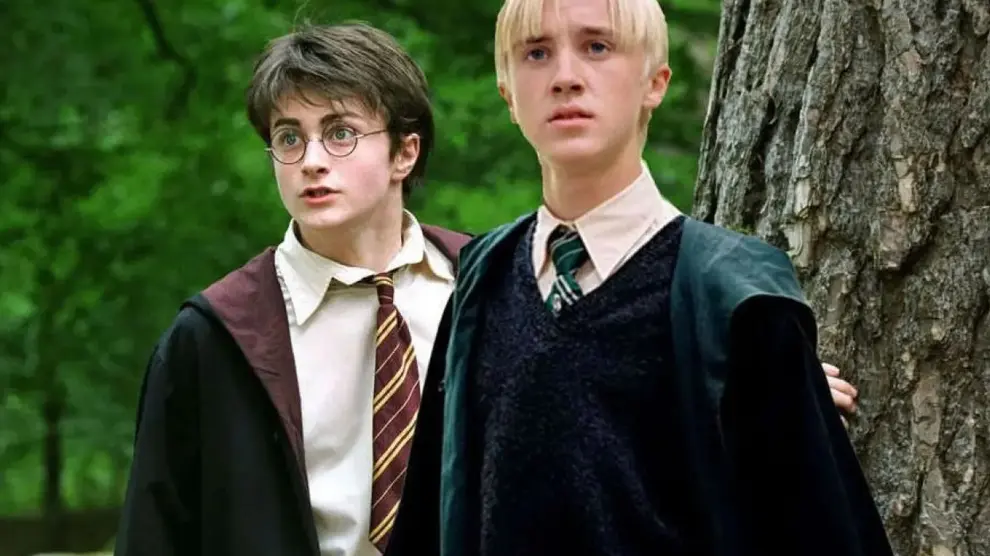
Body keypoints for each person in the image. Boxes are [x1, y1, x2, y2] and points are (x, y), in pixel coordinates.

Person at [396, 0, 893, 555]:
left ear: (655, 83)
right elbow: (429, 523)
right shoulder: (480, 283)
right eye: (536, 53)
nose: (565, 77)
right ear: (509, 95)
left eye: (597, 47)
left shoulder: (735, 299)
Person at [114, 23, 470, 556]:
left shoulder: (488, 287)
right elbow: (155, 537)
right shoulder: (214, 338)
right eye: (289, 138)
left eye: (340, 133)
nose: (311, 160)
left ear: (405, 152)